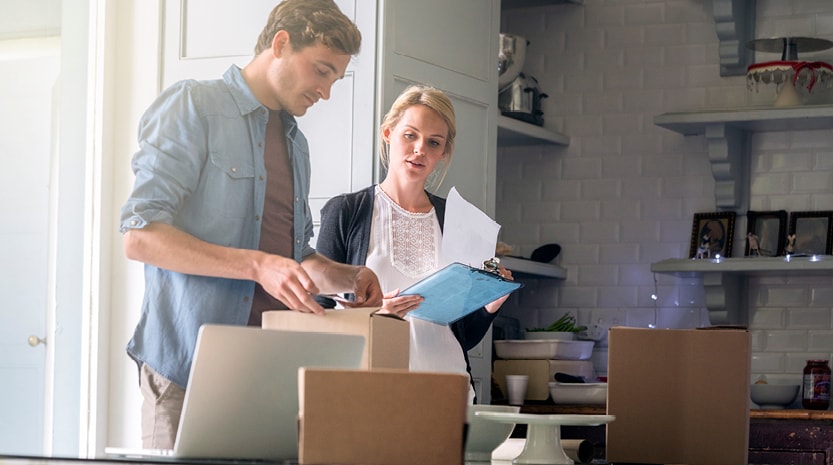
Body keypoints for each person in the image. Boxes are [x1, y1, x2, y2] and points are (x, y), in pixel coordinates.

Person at [119, 0, 383, 448]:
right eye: (321, 71)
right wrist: (257, 265)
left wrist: (348, 276)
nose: (326, 93)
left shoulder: (296, 144)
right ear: (281, 44)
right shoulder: (194, 106)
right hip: (185, 369)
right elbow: (140, 237)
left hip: (269, 372)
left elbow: (295, 257)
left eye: (335, 79)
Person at [316, 85, 512, 403]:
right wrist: (377, 315)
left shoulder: (457, 220)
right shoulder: (346, 212)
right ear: (388, 133)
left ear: (443, 152)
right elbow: (316, 316)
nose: (420, 148)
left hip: (447, 391)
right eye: (411, 135)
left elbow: (462, 335)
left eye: (433, 142)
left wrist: (491, 304)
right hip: (369, 392)